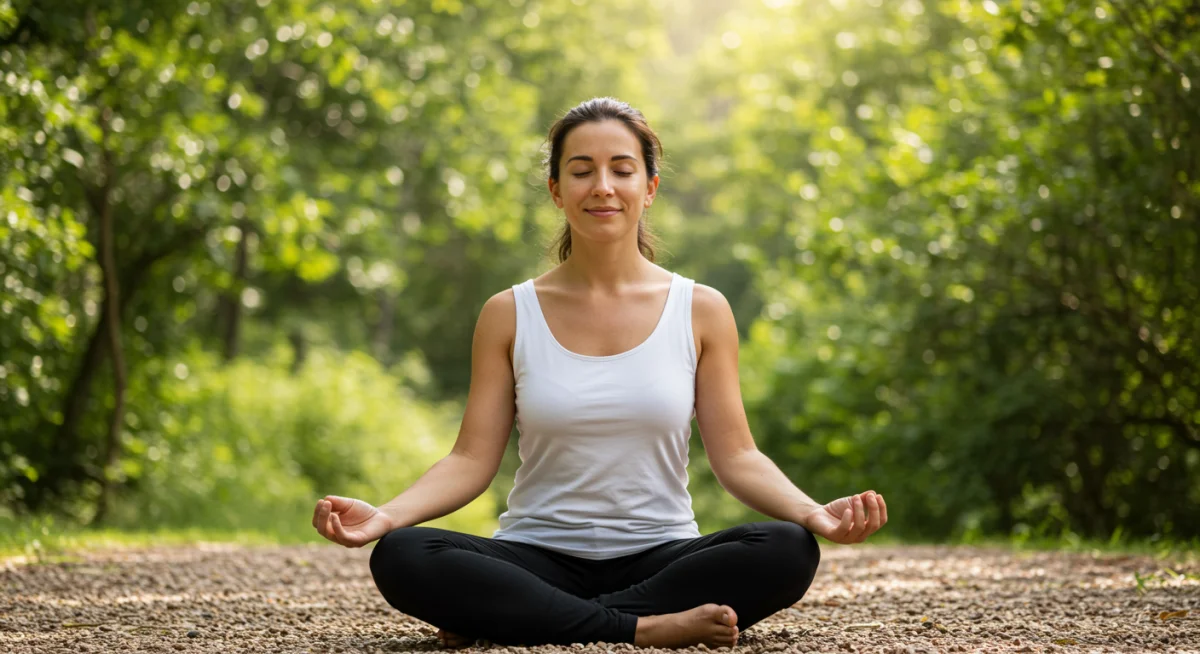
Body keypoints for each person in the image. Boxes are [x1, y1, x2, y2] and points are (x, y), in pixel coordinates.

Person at [311, 97, 887, 649]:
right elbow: (470, 460)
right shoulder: (508, 313)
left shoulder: (701, 309)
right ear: (557, 190)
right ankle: (642, 628)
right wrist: (386, 515)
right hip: (538, 554)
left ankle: (522, 618)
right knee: (402, 554)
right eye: (582, 171)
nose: (603, 187)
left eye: (622, 170)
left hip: (661, 555)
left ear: (650, 187)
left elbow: (737, 457)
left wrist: (812, 511)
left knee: (786, 548)